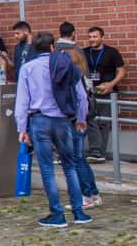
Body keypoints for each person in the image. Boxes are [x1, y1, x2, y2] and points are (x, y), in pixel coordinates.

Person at [15, 32, 90, 228]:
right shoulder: (66, 65)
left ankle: (57, 214)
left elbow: (22, 101)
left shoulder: (28, 68)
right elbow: (81, 96)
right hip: (63, 120)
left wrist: (21, 127)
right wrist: (81, 117)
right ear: (52, 46)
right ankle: (79, 211)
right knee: (70, 165)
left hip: (39, 120)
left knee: (47, 169)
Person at [64, 47, 102, 211]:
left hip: (77, 121)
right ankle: (92, 194)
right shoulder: (80, 75)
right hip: (80, 119)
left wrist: (80, 119)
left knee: (77, 160)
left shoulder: (75, 77)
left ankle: (88, 195)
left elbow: (82, 100)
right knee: (79, 159)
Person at [83, 26, 126, 162]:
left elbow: (122, 71)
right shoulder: (84, 52)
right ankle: (94, 152)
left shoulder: (112, 52)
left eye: (95, 37)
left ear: (102, 37)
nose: (92, 40)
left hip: (106, 93)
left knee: (104, 123)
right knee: (90, 121)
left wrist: (111, 84)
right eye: (90, 37)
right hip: (90, 93)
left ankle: (100, 154)